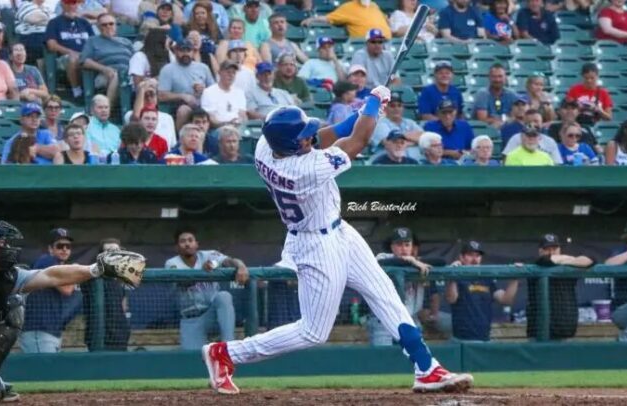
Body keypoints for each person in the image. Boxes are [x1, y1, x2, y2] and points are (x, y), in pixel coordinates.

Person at [201, 87, 474, 395]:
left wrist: (369, 110)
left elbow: (326, 135)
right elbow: (356, 141)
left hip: (339, 231)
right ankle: (226, 353)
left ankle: (426, 368)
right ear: (292, 145)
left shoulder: (268, 144)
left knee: (386, 295)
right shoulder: (301, 169)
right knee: (313, 332)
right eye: (303, 136)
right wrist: (371, 109)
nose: (309, 137)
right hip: (315, 246)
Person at [0, 219, 138, 404]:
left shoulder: (4, 278)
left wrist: (96, 269)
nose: (5, 248)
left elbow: (51, 275)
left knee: (14, 307)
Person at [165, 227, 249, 351]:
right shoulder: (172, 263)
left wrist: (241, 266)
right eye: (183, 241)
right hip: (191, 319)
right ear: (177, 247)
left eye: (190, 240)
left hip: (213, 314)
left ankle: (229, 346)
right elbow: (182, 282)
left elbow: (229, 261)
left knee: (224, 296)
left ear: (196, 244)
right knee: (193, 360)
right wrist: (201, 273)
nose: (187, 244)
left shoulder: (208, 255)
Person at [446, 241, 519, 342]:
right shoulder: (457, 277)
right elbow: (451, 299)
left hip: (484, 338)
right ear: (461, 257)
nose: (475, 259)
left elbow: (505, 299)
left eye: (477, 256)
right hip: (461, 340)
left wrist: (515, 279)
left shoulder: (486, 279)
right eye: (470, 255)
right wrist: (452, 275)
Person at [20, 228, 79, 353]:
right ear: (50, 249)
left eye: (68, 246)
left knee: (48, 371)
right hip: (39, 330)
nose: (64, 249)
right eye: (60, 246)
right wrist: (75, 270)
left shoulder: (60, 266)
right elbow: (67, 289)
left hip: (50, 331)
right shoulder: (47, 261)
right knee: (42, 371)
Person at [370, 227, 432, 346]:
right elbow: (381, 263)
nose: (403, 248)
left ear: (412, 247)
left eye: (407, 244)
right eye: (399, 245)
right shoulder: (382, 257)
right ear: (392, 247)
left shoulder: (418, 263)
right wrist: (408, 260)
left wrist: (413, 261)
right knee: (383, 361)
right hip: (384, 323)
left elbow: (440, 261)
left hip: (411, 321)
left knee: (415, 362)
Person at [526, 234, 594, 340]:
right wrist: (571, 260)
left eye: (554, 248)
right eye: (547, 249)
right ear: (540, 251)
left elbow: (590, 260)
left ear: (560, 249)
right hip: (539, 330)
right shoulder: (537, 265)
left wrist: (567, 261)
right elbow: (546, 260)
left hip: (564, 328)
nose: (552, 252)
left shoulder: (569, 268)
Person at [81, 238, 131, 351]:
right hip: (98, 337)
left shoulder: (121, 279)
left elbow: (123, 307)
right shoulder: (91, 278)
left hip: (120, 337)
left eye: (117, 250)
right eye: (109, 251)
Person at [80, 12, 134, 104]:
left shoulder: (126, 42)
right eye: (104, 25)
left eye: (111, 24)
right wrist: (104, 69)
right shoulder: (92, 41)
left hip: (128, 74)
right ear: (98, 27)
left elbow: (136, 59)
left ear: (116, 25)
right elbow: (84, 61)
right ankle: (107, 109)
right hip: (105, 74)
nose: (108, 26)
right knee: (115, 76)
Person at [45, 0, 94, 100]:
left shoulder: (84, 23)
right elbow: (51, 45)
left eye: (74, 3)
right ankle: (77, 91)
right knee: (72, 58)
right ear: (62, 4)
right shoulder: (54, 22)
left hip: (86, 56)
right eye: (68, 3)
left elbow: (94, 42)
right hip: (64, 58)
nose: (71, 6)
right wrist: (71, 52)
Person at [301, 0, 392, 40]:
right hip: (366, 46)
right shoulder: (349, 7)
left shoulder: (374, 5)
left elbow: (386, 20)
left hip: (387, 43)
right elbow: (328, 18)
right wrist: (311, 19)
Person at [371, 90, 422, 159]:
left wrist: (403, 137)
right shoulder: (379, 124)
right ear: (385, 108)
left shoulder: (410, 123)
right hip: (387, 163)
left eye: (399, 106)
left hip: (413, 162)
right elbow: (389, 143)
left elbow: (424, 138)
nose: (396, 109)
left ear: (403, 108)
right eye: (392, 106)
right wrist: (413, 140)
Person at [201, 60, 247, 129]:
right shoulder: (208, 92)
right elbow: (211, 119)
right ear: (219, 73)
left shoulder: (240, 92)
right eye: (228, 72)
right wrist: (228, 124)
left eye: (233, 73)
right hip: (218, 129)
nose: (231, 75)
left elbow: (243, 115)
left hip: (237, 128)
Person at [473, 63, 518, 129]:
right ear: (489, 78)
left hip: (507, 128)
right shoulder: (482, 93)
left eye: (500, 76)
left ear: (505, 77)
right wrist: (504, 120)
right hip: (486, 130)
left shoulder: (511, 94)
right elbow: (482, 120)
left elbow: (517, 116)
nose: (497, 80)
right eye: (494, 76)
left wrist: (501, 121)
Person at [15, 0, 53, 65]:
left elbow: (55, 22)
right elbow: (33, 19)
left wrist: (44, 20)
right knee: (38, 46)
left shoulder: (47, 8)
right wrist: (48, 20)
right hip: (30, 36)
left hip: (47, 35)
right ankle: (40, 73)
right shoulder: (25, 5)